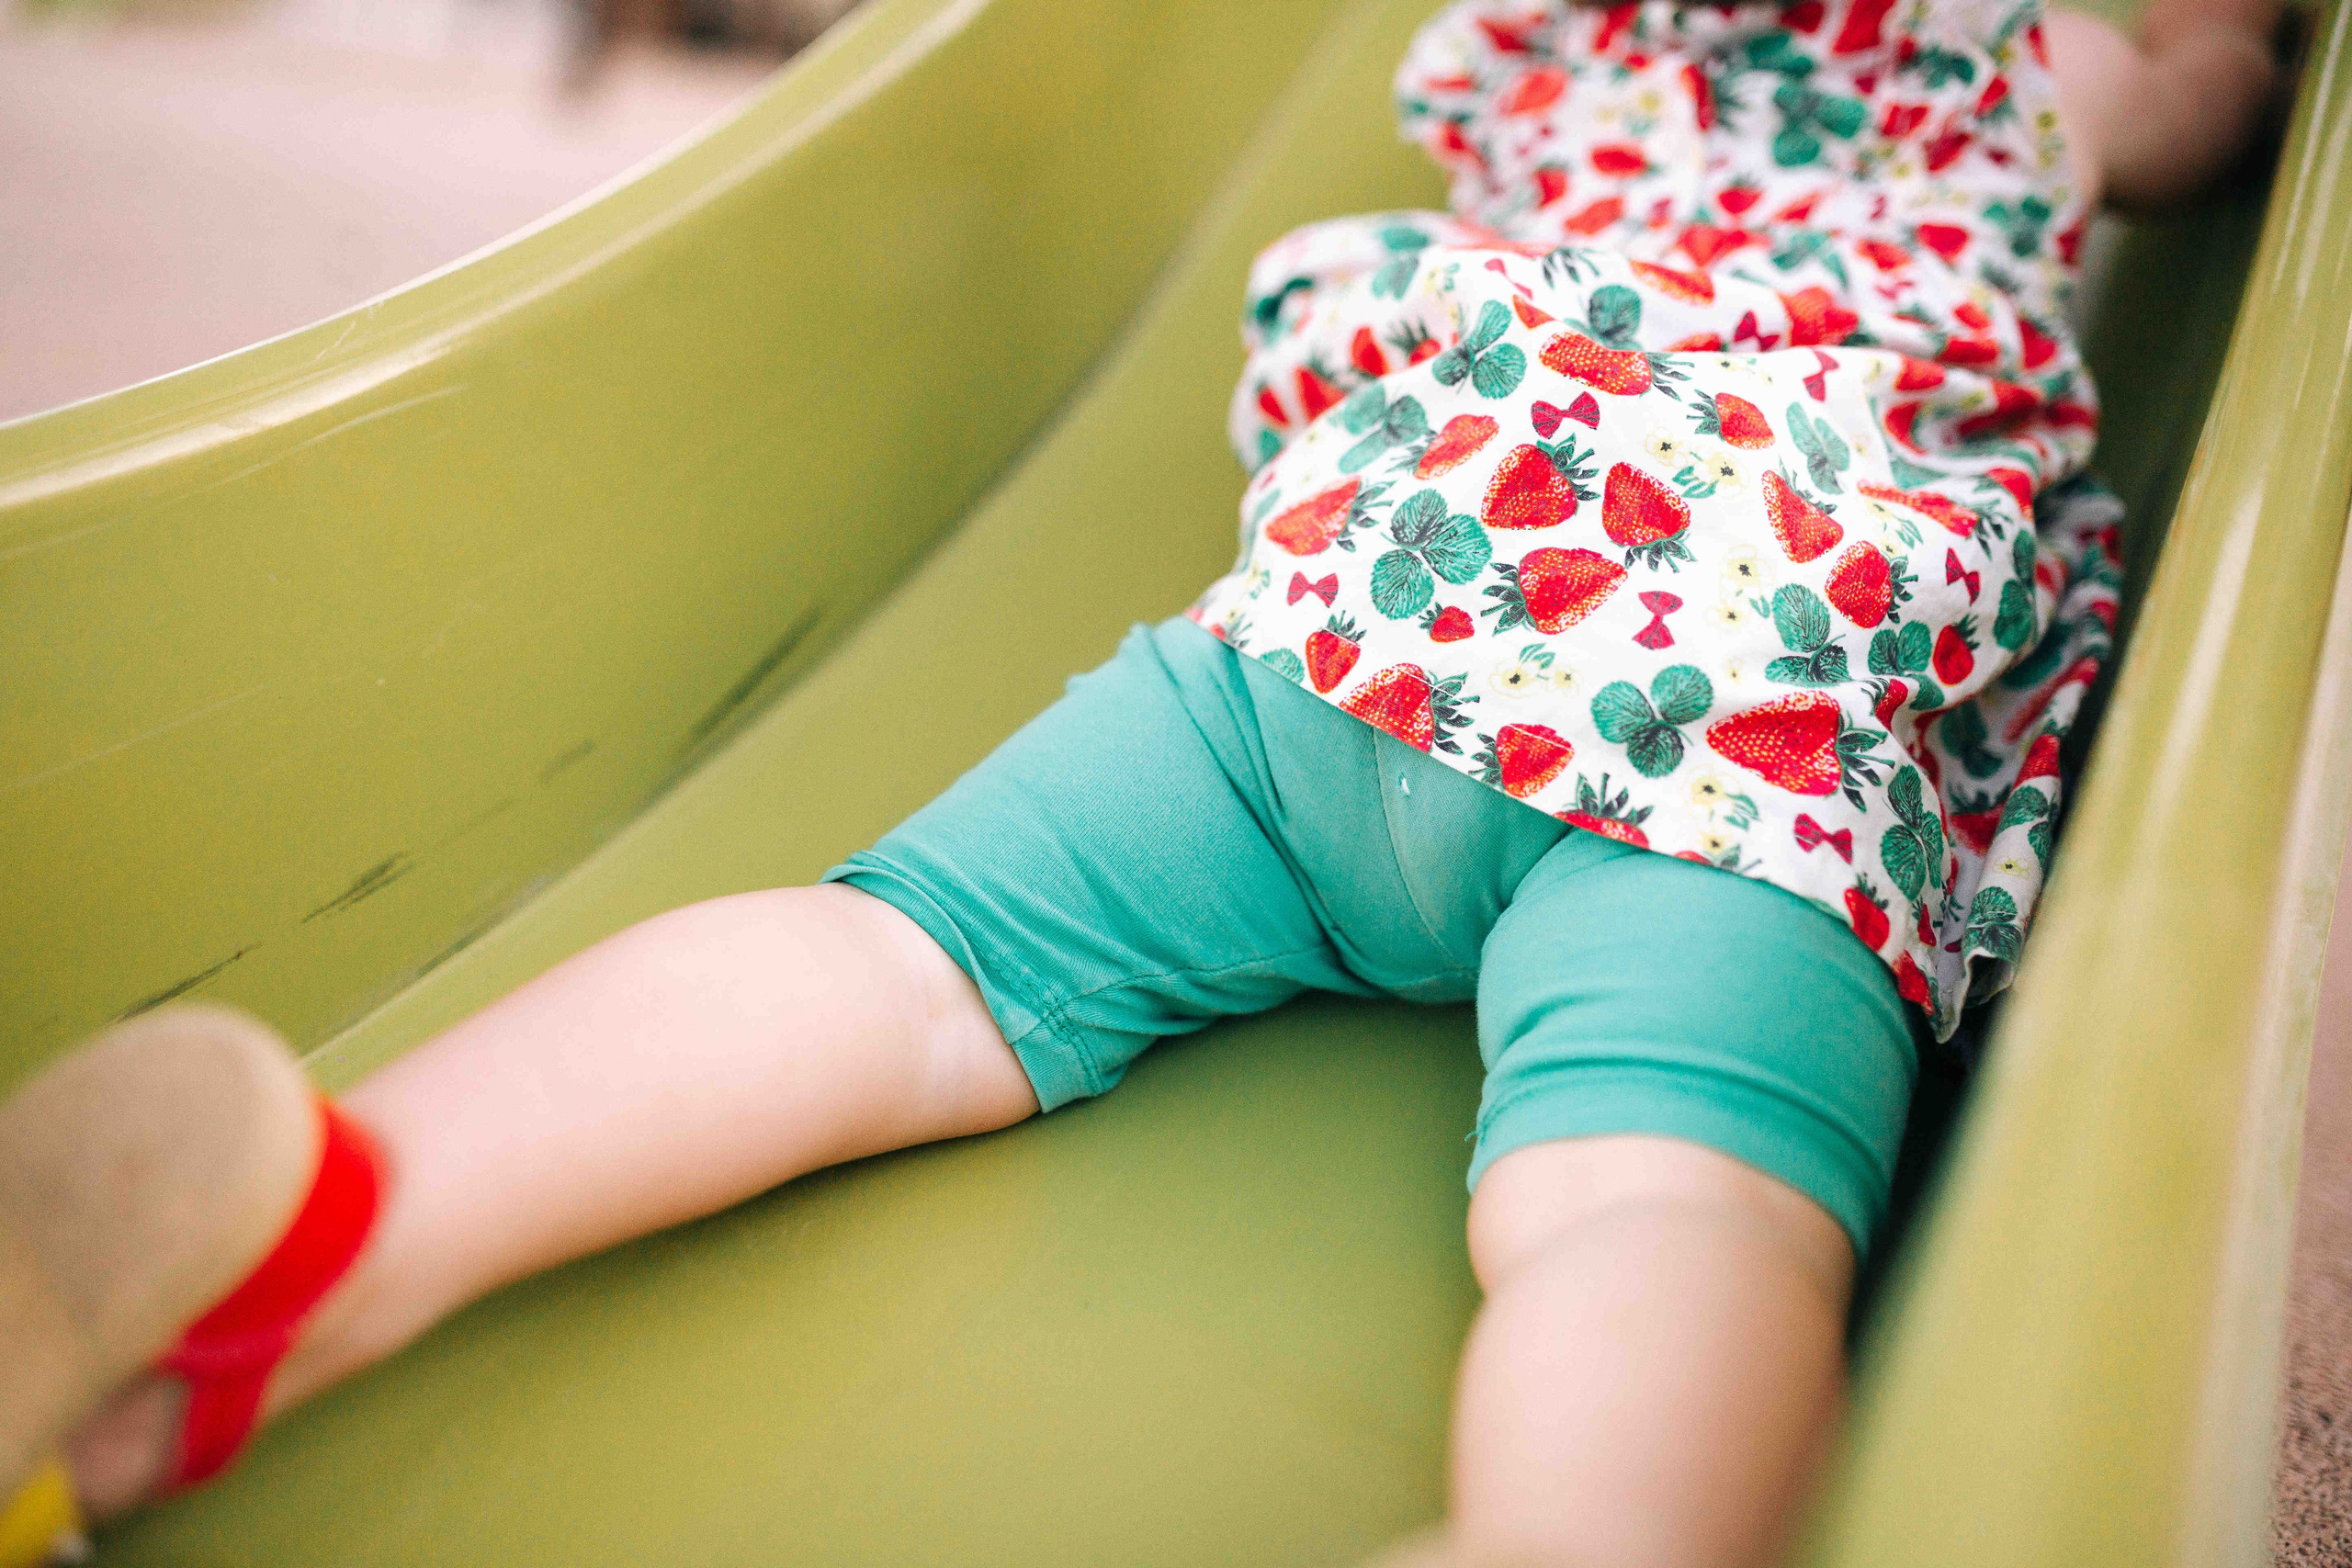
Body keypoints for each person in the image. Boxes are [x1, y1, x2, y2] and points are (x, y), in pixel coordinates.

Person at [0, 0, 2286, 1562]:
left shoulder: (1523, 66)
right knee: (1640, 1213)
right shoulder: (2040, 66)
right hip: (1740, 702)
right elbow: (2197, 100)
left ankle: (331, 1231)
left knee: (897, 958)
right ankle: (1561, 1532)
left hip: (1366, 606)